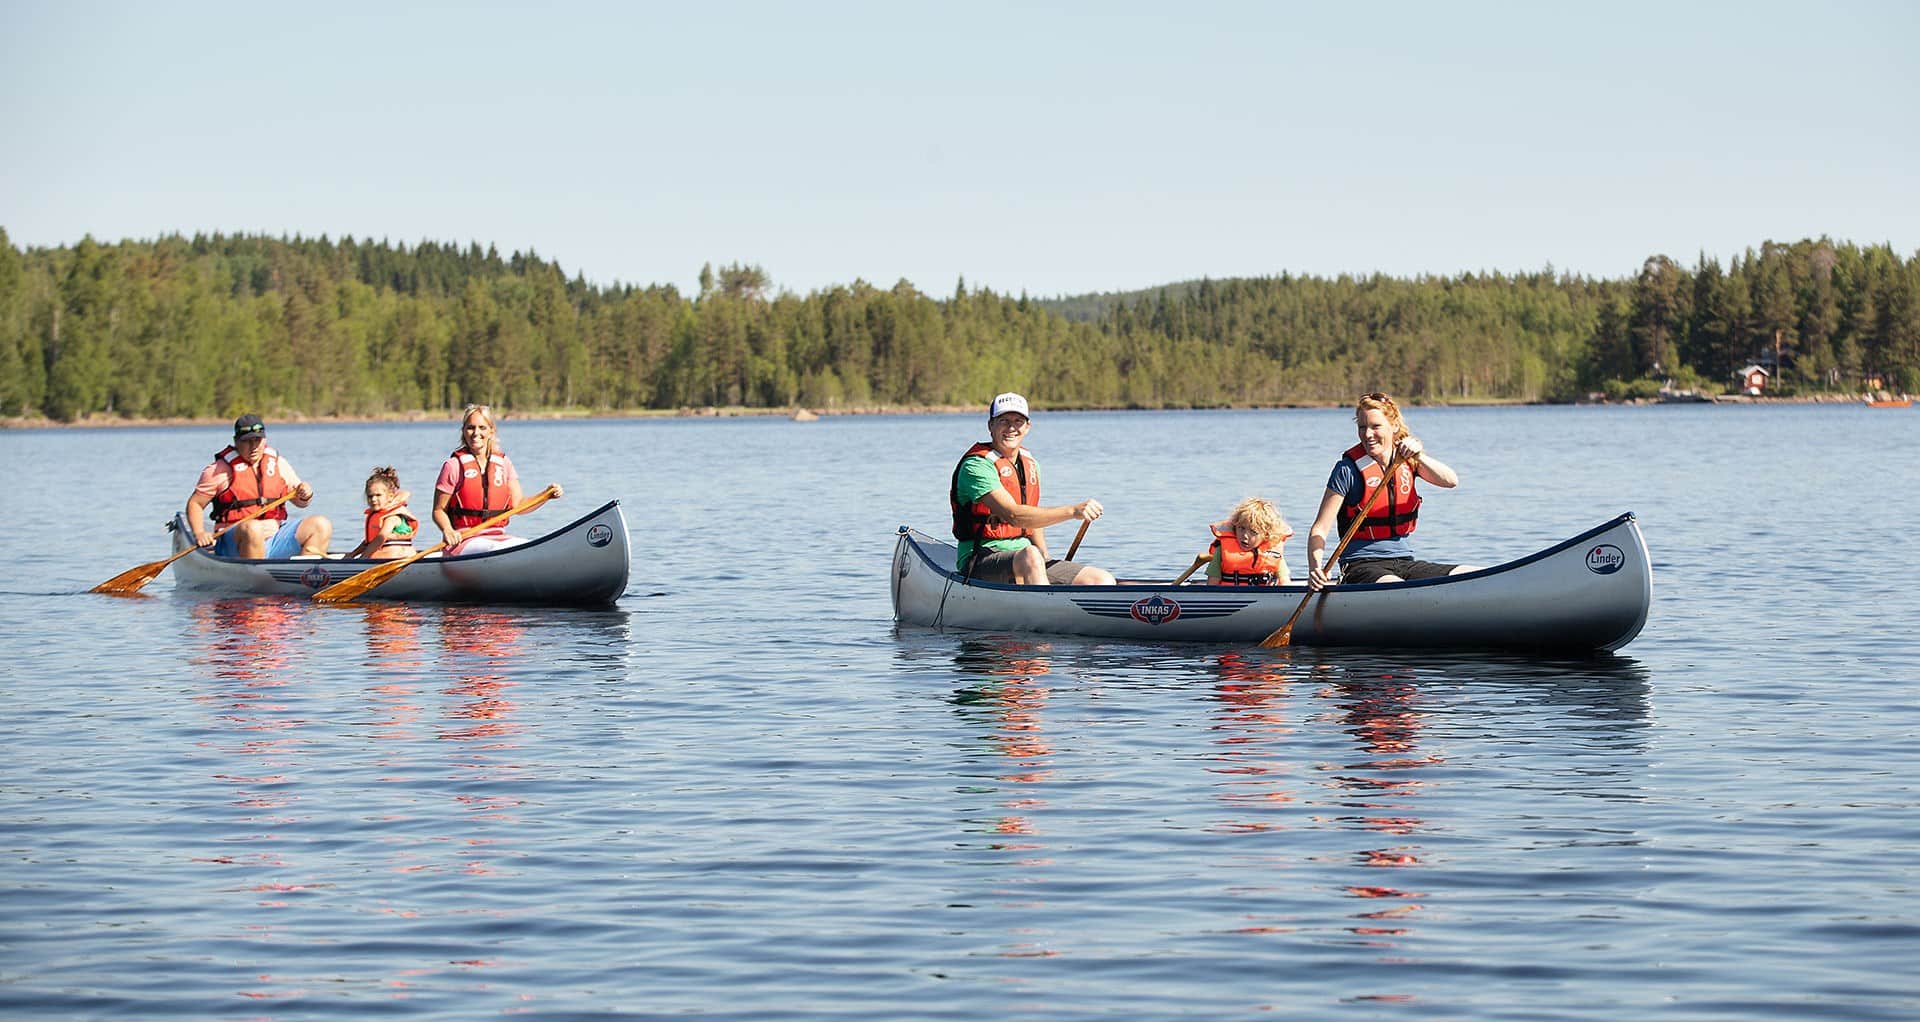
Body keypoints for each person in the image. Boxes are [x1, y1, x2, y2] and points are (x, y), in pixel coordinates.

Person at [1305, 392, 1477, 589]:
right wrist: (1315, 569)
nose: (1367, 434)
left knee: (1472, 573)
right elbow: (1319, 529)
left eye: (1375, 426)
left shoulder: (1407, 461)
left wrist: (1419, 456)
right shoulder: (1347, 470)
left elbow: (1451, 481)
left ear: (1394, 426)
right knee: (1396, 586)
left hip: (1404, 562)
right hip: (1360, 567)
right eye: (1362, 427)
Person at [948, 392, 1115, 585]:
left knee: (1101, 580)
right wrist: (1073, 511)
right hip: (980, 559)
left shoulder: (1030, 464)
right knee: (1031, 556)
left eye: (1018, 421)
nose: (1011, 427)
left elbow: (1032, 517)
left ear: (1027, 427)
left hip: (1027, 558)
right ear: (990, 426)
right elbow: (1014, 515)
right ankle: (1047, 611)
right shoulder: (976, 466)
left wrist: (1045, 557)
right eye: (1003, 420)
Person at [186, 414, 333, 559]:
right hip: (235, 541)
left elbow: (300, 502)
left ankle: (307, 576)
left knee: (321, 524)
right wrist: (199, 532)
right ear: (236, 442)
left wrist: (306, 493)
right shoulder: (218, 470)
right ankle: (257, 577)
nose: (254, 446)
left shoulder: (278, 464)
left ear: (265, 440)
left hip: (275, 537)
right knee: (253, 528)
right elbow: (195, 504)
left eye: (258, 440)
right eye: (247, 441)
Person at [432, 404, 561, 555]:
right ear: (463, 431)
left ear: (491, 431)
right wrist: (447, 530)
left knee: (530, 546)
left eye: (482, 427)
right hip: (463, 541)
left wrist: (546, 495)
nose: (476, 433)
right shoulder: (453, 466)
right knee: (497, 550)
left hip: (499, 537)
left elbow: (519, 505)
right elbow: (438, 510)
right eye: (470, 427)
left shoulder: (504, 463)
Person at [1205, 497, 1292, 586]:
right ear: (1235, 528)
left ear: (1266, 535)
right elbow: (1212, 583)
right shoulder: (1222, 550)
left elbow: (1285, 582)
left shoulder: (1274, 553)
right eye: (1241, 528)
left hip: (1264, 596)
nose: (1245, 536)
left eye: (1253, 532)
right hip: (1230, 596)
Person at [344, 466, 419, 560]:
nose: (374, 499)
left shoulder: (392, 517)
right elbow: (370, 541)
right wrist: (353, 554)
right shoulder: (378, 515)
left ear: (390, 497)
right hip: (383, 559)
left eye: (378, 495)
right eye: (370, 496)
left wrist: (363, 558)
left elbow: (380, 538)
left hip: (400, 558)